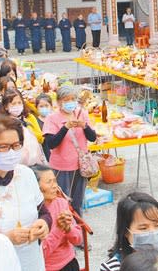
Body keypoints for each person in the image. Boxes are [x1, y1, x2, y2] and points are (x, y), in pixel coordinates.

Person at [0, 114, 49, 270]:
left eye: (16, 145)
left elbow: (43, 212)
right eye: (4, 147)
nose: (11, 153)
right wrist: (5, 239)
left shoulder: (26, 174)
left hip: (31, 261)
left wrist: (44, 223)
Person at [43, 85, 96, 216]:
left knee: (77, 203)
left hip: (80, 166)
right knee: (62, 202)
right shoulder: (52, 118)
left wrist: (84, 126)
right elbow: (51, 144)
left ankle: (78, 230)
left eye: (73, 99)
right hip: (62, 167)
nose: (70, 102)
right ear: (59, 102)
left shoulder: (81, 114)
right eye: (67, 100)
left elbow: (92, 137)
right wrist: (65, 127)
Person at [101, 192, 158, 271]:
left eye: (157, 225)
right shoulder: (111, 267)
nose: (152, 232)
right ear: (126, 232)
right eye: (143, 228)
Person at [32, 165, 82, 271]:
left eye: (55, 181)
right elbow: (41, 254)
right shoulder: (31, 214)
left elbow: (78, 239)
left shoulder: (61, 203)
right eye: (49, 182)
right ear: (35, 187)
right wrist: (59, 229)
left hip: (69, 262)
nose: (55, 186)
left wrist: (68, 229)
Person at [1, 90, 45, 166]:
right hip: (17, 162)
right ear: (6, 107)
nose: (17, 106)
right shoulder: (4, 123)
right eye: (13, 103)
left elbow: (41, 138)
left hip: (35, 159)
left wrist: (29, 129)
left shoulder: (29, 117)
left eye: (19, 102)